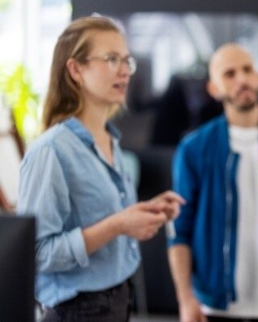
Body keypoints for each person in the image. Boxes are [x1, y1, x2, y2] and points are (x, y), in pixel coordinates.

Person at [16, 16, 184, 322]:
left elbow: (108, 218)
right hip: (76, 312)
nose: (124, 70)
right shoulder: (51, 151)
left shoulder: (110, 141)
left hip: (118, 301)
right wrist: (117, 225)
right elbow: (36, 253)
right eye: (111, 59)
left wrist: (143, 212)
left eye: (126, 60)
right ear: (75, 69)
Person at [168, 44, 258, 322]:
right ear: (213, 89)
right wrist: (185, 299)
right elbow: (179, 230)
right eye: (229, 73)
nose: (241, 79)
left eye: (247, 70)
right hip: (214, 308)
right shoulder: (193, 149)